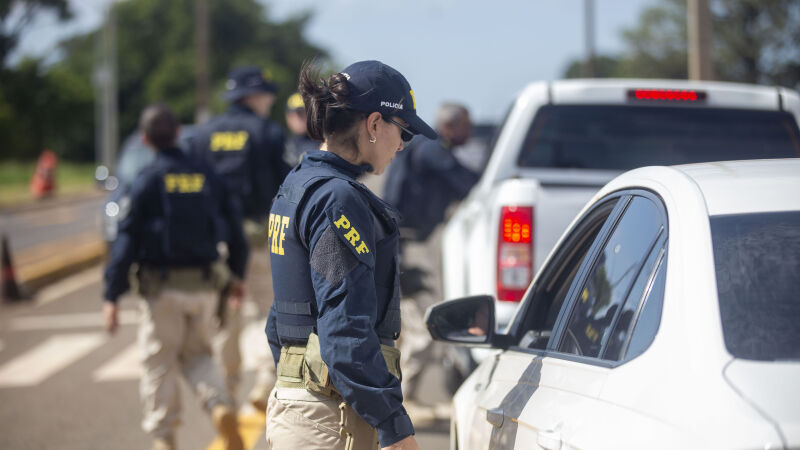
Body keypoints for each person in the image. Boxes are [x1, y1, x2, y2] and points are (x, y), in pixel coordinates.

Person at [264, 60, 437, 450]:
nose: (403, 145)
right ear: (375, 125)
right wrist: (396, 429)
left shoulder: (296, 186)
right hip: (328, 421)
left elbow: (283, 317)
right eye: (403, 130)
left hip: (303, 407)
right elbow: (344, 330)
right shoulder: (337, 199)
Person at [103, 103, 247, 450]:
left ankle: (164, 439)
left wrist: (112, 295)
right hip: (204, 287)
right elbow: (236, 232)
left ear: (146, 139)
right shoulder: (207, 175)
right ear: (178, 134)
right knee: (199, 356)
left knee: (159, 363)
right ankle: (219, 406)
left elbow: (126, 239)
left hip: (161, 290)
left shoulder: (147, 179)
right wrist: (236, 278)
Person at [191, 66, 290, 411]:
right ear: (253, 97)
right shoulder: (267, 132)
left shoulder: (204, 135)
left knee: (225, 319)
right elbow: (286, 186)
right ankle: (265, 380)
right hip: (259, 239)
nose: (271, 100)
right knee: (269, 310)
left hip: (217, 241)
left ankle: (226, 392)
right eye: (267, 93)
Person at [382, 102, 479, 407]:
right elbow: (467, 183)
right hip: (410, 247)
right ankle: (404, 397)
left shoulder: (425, 147)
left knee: (407, 323)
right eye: (466, 125)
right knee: (424, 322)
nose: (470, 132)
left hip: (404, 244)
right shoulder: (433, 149)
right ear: (450, 126)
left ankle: (399, 394)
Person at [283, 91, 320, 166]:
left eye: (304, 113)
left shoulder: (323, 143)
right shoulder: (282, 144)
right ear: (288, 118)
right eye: (298, 114)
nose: (299, 119)